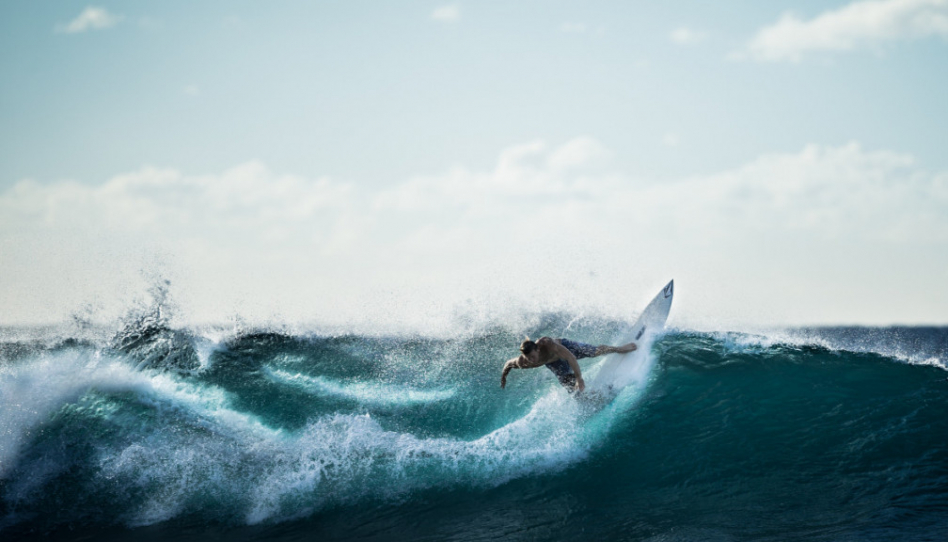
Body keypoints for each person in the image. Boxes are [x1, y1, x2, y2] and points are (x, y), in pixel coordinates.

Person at [500, 336, 638, 393]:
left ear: (537, 349)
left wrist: (580, 378)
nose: (531, 360)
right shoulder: (523, 362)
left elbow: (571, 358)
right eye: (528, 358)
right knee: (570, 387)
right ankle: (590, 399)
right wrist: (503, 377)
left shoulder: (548, 344)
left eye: (532, 356)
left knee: (594, 352)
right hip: (554, 364)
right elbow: (508, 364)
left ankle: (619, 349)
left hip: (566, 349)